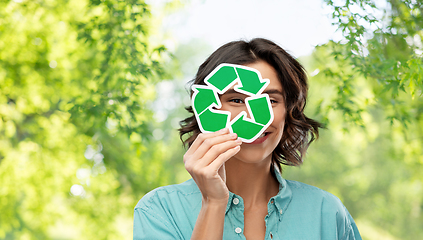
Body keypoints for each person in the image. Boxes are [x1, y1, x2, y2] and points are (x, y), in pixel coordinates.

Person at [133, 38, 362, 240]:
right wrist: (213, 204)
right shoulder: (160, 210)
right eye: (236, 100)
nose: (254, 118)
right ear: (206, 106)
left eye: (271, 101)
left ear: (289, 112)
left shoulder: (327, 214)